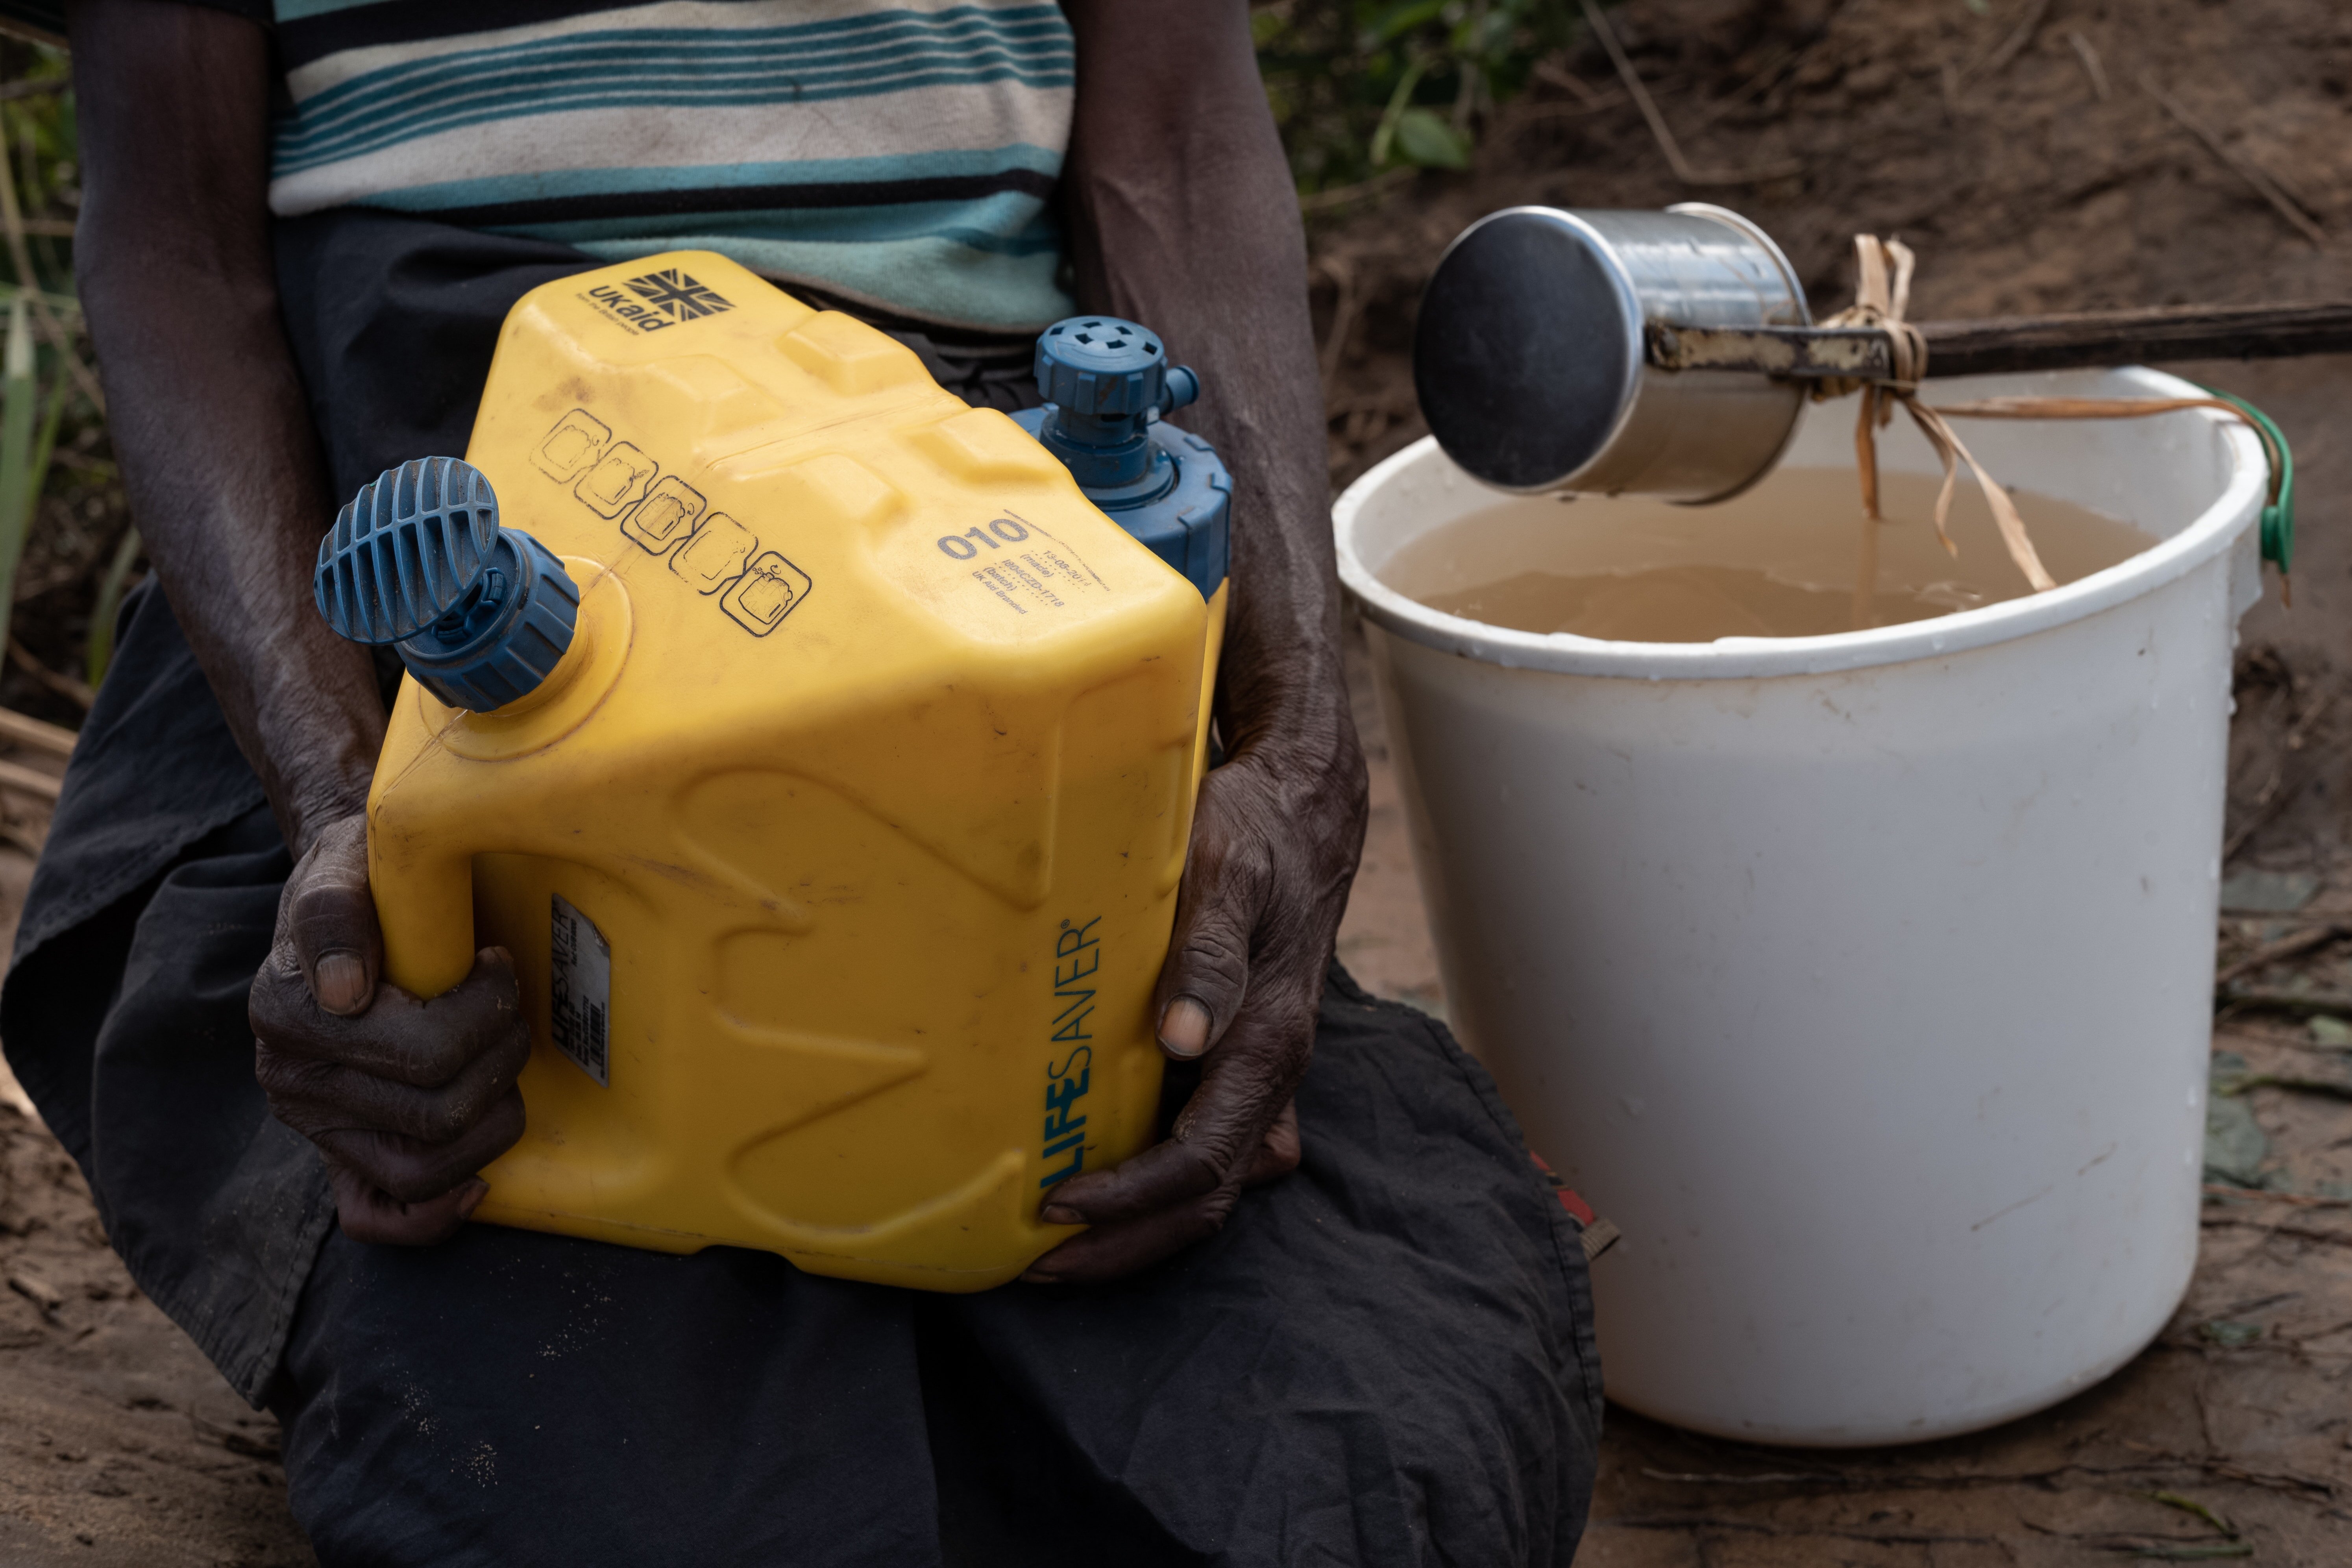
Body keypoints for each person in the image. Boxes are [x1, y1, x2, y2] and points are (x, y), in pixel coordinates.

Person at [2, 2, 1602, 1560]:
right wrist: (357, 815)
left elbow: (1174, 151)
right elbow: (180, 255)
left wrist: (1291, 750)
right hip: (442, 541)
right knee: (619, 1463)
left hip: (979, 534)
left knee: (1363, 1451)